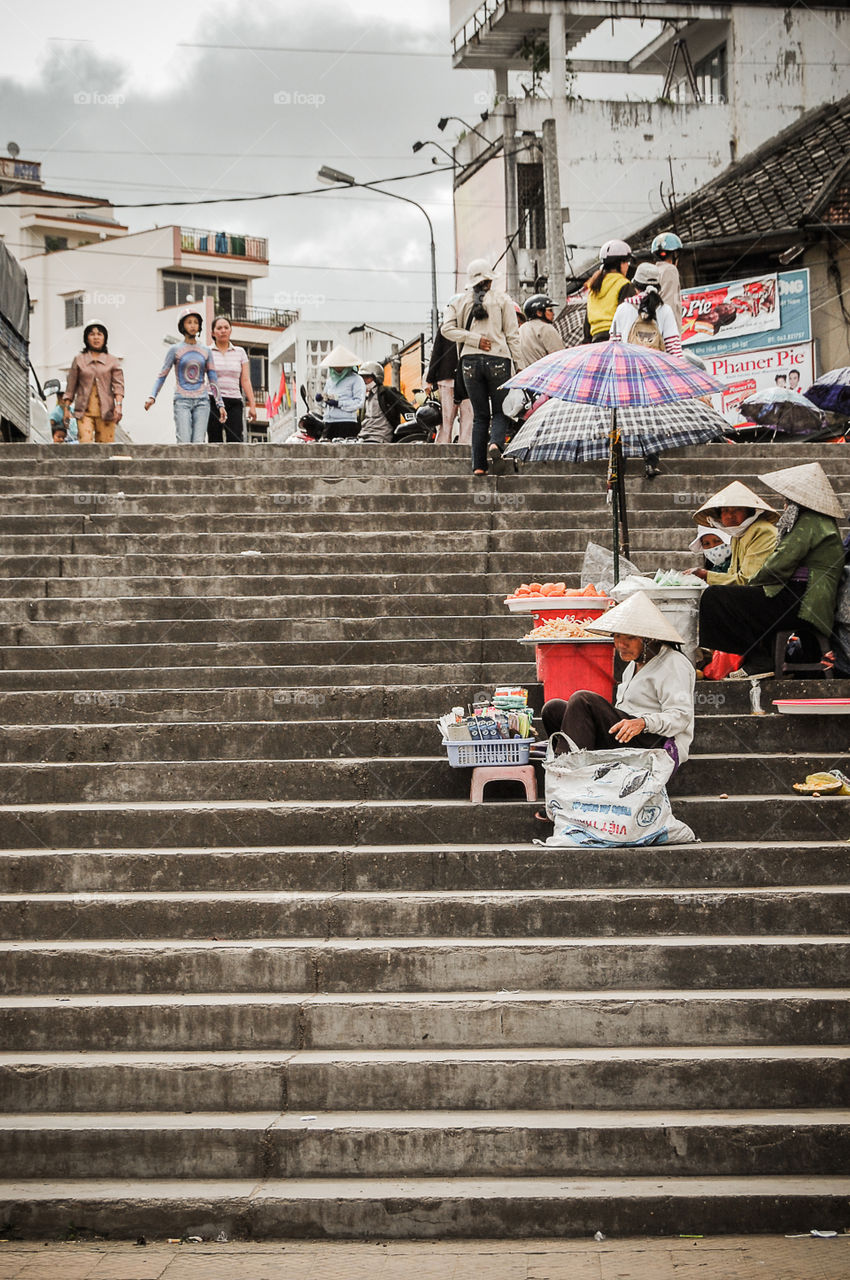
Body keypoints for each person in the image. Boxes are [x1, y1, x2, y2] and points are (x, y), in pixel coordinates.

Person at [699, 462, 846, 679]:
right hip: (800, 595)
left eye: (788, 501)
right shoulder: (817, 522)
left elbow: (780, 562)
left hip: (805, 600)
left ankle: (761, 658)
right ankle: (759, 657)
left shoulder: (811, 522)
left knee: (716, 597)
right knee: (735, 598)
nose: (785, 505)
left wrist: (752, 582)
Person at [540, 592, 695, 767]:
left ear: (650, 639)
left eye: (630, 638)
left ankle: (569, 772)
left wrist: (643, 723)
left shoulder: (673, 663)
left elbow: (681, 717)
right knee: (553, 709)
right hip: (626, 735)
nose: (621, 644)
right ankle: (569, 765)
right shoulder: (632, 666)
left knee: (582, 700)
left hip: (656, 743)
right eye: (617, 637)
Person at [440, 258, 524, 476]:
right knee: (500, 411)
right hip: (498, 360)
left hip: (469, 364)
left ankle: (478, 465)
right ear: (489, 280)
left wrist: (472, 339)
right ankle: (496, 444)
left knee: (479, 416)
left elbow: (446, 330)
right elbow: (513, 336)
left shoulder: (458, 302)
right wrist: (520, 366)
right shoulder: (503, 300)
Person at [610, 262, 683, 478]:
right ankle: (651, 462)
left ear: (635, 286)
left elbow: (613, 344)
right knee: (652, 418)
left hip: (627, 375)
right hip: (655, 375)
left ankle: (619, 466)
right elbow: (673, 347)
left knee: (623, 420)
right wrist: (677, 377)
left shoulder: (623, 309)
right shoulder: (665, 310)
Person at [145, 309, 225, 444]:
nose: (193, 326)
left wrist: (220, 404)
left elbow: (213, 378)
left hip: (202, 401)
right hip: (182, 400)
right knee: (184, 441)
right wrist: (152, 396)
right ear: (182, 326)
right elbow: (162, 375)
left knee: (199, 442)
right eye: (189, 322)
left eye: (196, 322)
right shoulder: (175, 349)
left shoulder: (206, 350)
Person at [686, 482, 779, 586]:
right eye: (725, 511)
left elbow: (749, 579)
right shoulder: (737, 535)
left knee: (713, 593)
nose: (730, 516)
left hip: (767, 591)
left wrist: (706, 575)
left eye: (737, 510)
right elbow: (732, 574)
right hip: (751, 589)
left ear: (749, 512)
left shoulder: (761, 531)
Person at [62, 320, 125, 445]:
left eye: (99, 334)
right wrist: (66, 409)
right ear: (86, 338)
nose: (96, 337)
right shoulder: (79, 360)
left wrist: (118, 406)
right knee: (86, 445)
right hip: (84, 412)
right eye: (92, 334)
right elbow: (71, 387)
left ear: (105, 338)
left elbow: (118, 386)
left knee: (106, 448)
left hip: (107, 412)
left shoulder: (112, 361)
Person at [424, 299, 473, 446]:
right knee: (468, 416)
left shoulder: (445, 328)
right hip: (468, 377)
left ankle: (443, 445)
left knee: (447, 418)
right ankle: (465, 446)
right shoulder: (471, 327)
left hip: (447, 378)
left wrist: (429, 379)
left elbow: (436, 354)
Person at [207, 315, 257, 443]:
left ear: (230, 330)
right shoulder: (207, 352)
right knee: (214, 439)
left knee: (235, 440)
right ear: (213, 332)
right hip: (212, 401)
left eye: (226, 327)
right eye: (219, 328)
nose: (223, 330)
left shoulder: (240, 352)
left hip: (234, 401)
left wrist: (252, 405)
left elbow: (245, 380)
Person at [584, 240, 635, 342]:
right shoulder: (624, 284)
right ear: (620, 263)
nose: (628, 266)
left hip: (596, 340)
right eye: (626, 262)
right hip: (616, 337)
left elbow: (587, 324)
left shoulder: (594, 287)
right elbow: (627, 316)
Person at [315, 344, 365, 441]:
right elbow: (326, 402)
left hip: (347, 422)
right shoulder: (330, 381)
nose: (336, 368)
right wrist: (320, 400)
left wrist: (339, 403)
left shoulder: (356, 379)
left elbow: (359, 402)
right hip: (329, 422)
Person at [355, 362, 415, 443]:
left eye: (367, 377)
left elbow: (406, 408)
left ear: (376, 378)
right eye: (362, 378)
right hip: (362, 436)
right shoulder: (364, 397)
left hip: (380, 437)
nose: (364, 381)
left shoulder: (387, 392)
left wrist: (416, 423)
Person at [650, 232, 684, 332]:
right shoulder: (671, 270)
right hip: (668, 332)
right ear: (675, 254)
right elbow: (669, 304)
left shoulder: (652, 271)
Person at [518, 294, 565, 365]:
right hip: (545, 372)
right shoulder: (546, 328)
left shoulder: (522, 328)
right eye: (550, 310)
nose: (553, 313)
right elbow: (560, 357)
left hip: (526, 373)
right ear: (539, 313)